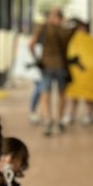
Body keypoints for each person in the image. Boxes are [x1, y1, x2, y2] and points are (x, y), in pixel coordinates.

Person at [29, 7, 73, 136]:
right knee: (62, 94)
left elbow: (31, 44)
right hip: (62, 65)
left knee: (45, 93)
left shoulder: (43, 28)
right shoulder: (65, 30)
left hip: (46, 65)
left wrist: (37, 59)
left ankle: (48, 120)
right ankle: (59, 121)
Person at [61, 19, 93, 127]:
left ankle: (88, 114)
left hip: (89, 72)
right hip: (74, 72)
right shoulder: (71, 41)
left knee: (89, 94)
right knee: (73, 94)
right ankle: (71, 114)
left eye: (83, 29)